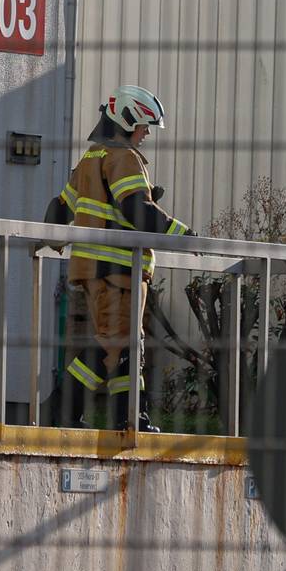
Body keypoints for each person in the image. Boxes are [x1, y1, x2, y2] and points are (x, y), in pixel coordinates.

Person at [44, 85, 188, 430]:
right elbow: (137, 210)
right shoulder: (124, 158)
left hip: (94, 269)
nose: (147, 135)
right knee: (115, 342)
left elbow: (59, 209)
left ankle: (130, 418)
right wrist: (185, 235)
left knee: (124, 344)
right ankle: (62, 409)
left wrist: (48, 239)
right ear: (128, 121)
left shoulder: (91, 158)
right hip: (118, 269)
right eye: (144, 126)